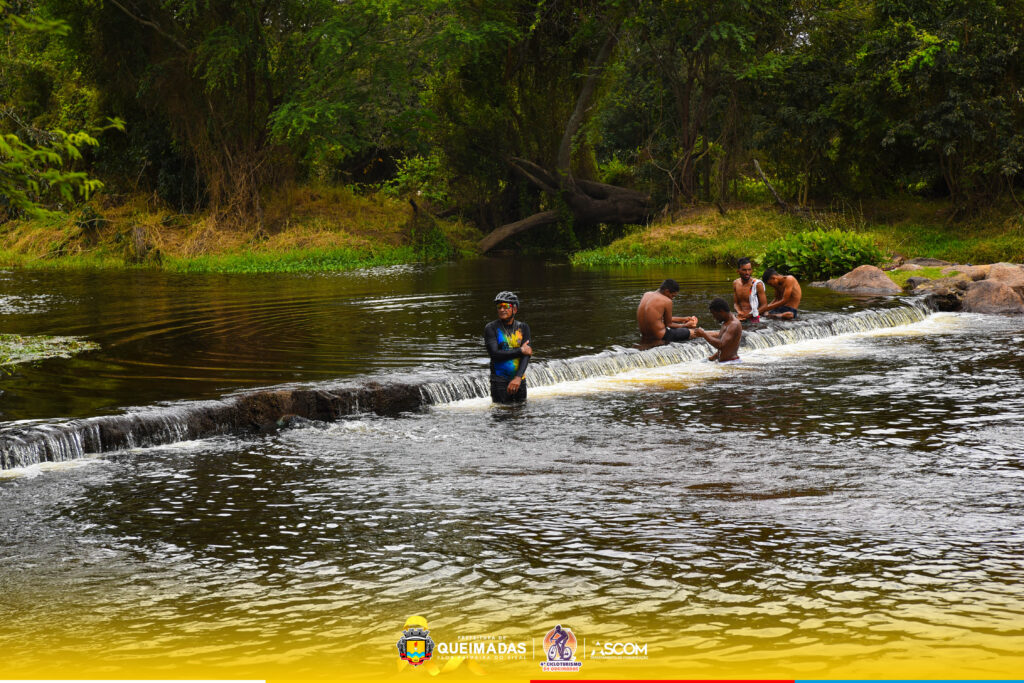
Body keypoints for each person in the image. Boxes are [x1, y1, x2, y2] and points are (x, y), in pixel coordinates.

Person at [484, 291, 532, 404]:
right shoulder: (491, 328)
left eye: (505, 306)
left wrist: (518, 378)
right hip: (499, 382)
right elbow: (495, 354)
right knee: (502, 416)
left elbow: (527, 355)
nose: (501, 310)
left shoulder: (523, 327)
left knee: (521, 416)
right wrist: (520, 350)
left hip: (519, 381)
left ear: (514, 309)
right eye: (499, 307)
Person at [637, 279, 698, 343]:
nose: (672, 298)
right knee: (696, 332)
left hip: (645, 336)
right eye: (673, 296)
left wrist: (682, 319)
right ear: (667, 291)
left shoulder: (646, 294)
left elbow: (657, 319)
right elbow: (669, 324)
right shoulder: (667, 301)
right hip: (660, 336)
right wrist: (685, 325)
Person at [692, 297, 743, 362]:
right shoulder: (726, 323)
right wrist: (711, 359)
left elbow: (721, 345)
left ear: (721, 311)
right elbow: (727, 347)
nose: (714, 318)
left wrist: (703, 334)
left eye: (714, 314)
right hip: (727, 363)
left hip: (731, 363)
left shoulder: (733, 324)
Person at [733, 257, 766, 322]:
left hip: (753, 316)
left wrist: (748, 315)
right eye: (744, 270)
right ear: (738, 271)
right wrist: (739, 312)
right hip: (741, 316)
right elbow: (736, 303)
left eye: (749, 270)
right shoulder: (735, 283)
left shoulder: (757, 284)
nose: (747, 273)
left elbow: (764, 306)